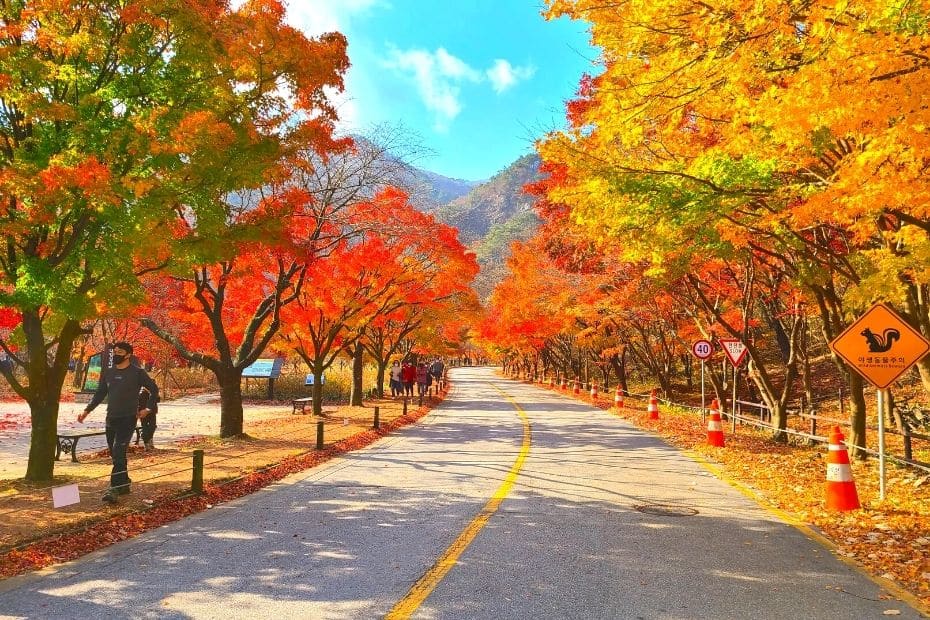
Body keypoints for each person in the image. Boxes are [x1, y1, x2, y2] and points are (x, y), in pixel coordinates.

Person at [78, 342, 160, 504]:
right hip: (111, 419)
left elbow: (154, 389)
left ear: (128, 355)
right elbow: (100, 394)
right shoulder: (109, 372)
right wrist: (86, 411)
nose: (116, 354)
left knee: (118, 450)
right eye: (115, 351)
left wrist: (148, 409)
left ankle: (113, 488)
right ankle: (124, 483)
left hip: (128, 418)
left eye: (120, 352)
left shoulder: (137, 373)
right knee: (116, 455)